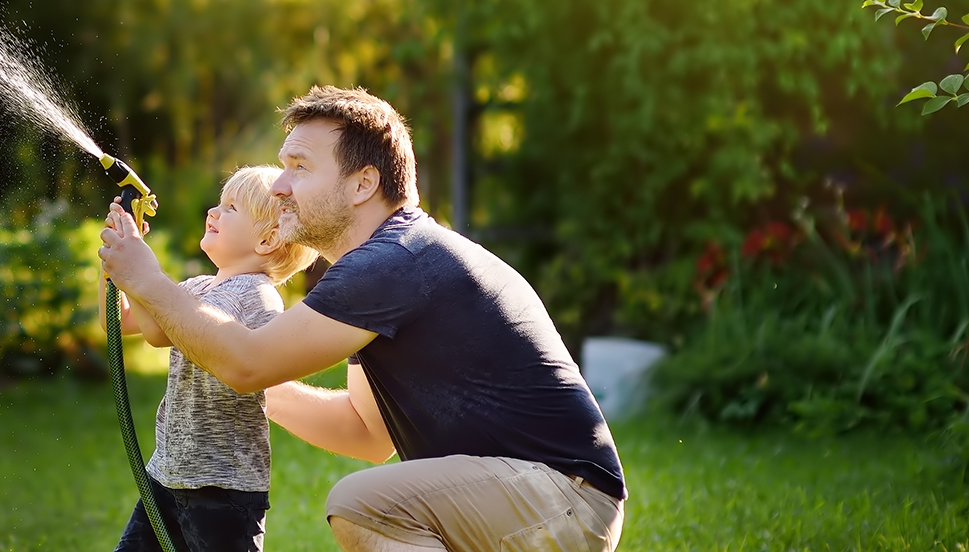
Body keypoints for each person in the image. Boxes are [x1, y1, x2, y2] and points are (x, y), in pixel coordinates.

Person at [97, 86, 626, 552]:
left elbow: (247, 363)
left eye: (300, 167)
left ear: (362, 183)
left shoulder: (391, 261)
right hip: (545, 497)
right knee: (370, 495)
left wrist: (148, 282)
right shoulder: (386, 262)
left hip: (561, 497)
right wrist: (248, 385)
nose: (279, 185)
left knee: (361, 503)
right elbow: (366, 434)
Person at [103, 165, 320, 552]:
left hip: (223, 488)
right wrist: (117, 264)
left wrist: (140, 272)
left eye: (231, 208)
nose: (213, 213)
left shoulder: (258, 296)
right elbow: (119, 322)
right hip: (168, 473)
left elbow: (159, 335)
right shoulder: (195, 287)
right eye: (219, 203)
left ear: (268, 239)